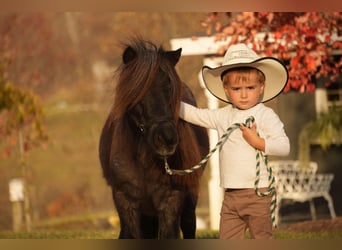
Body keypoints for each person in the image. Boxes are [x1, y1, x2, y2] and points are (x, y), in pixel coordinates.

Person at [179, 43, 290, 239]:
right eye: (237, 88)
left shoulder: (265, 115)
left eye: (251, 87)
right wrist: (170, 102)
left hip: (258, 194)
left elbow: (284, 146)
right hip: (230, 195)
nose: (244, 94)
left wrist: (257, 142)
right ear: (226, 89)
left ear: (261, 87)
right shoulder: (223, 116)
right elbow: (195, 115)